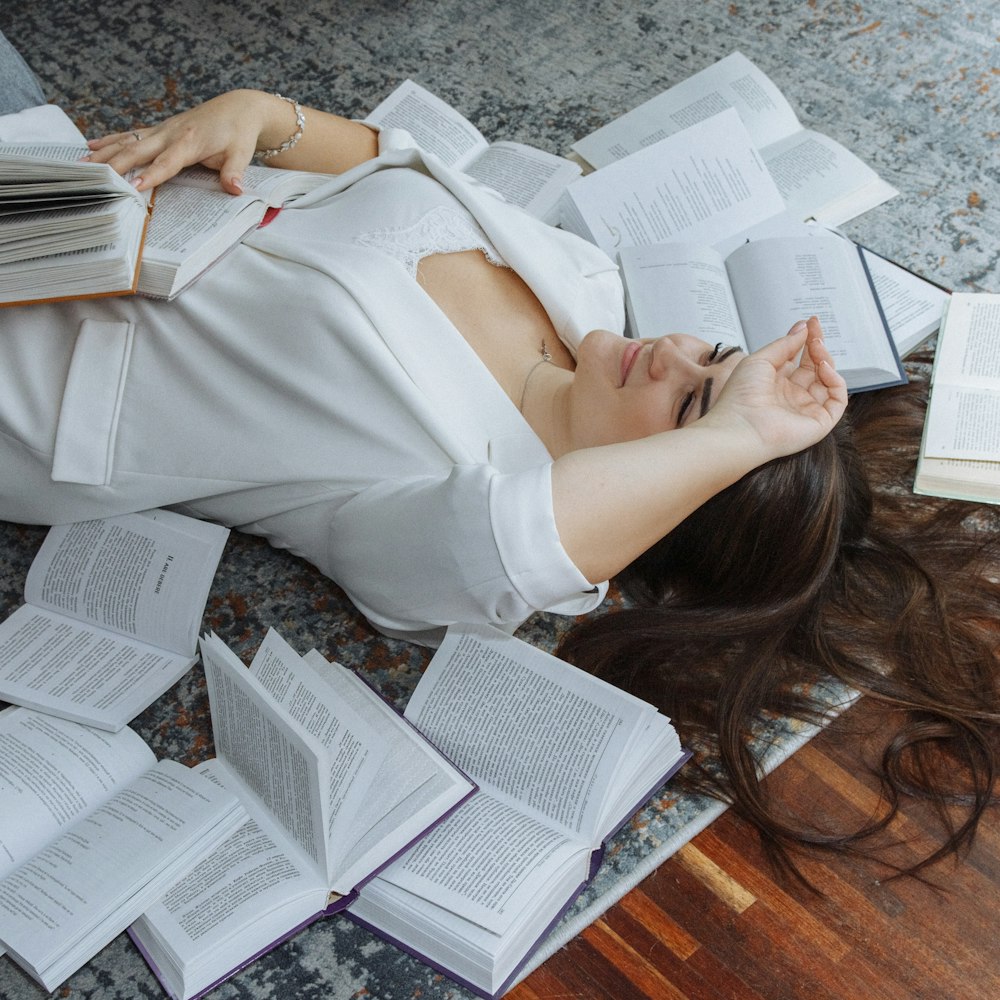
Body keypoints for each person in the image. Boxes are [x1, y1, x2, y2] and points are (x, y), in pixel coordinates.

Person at [2, 38, 997, 879]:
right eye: (715, 355)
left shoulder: (460, 499)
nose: (681, 350)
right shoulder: (584, 284)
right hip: (53, 185)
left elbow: (523, 545)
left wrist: (740, 438)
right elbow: (399, 163)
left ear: (667, 488)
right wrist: (264, 118)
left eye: (691, 401)